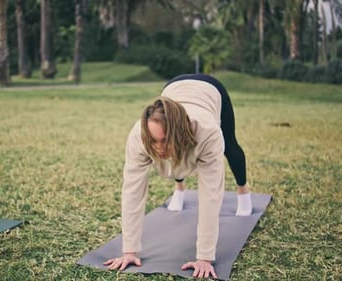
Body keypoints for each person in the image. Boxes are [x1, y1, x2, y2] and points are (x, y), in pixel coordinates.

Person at [103, 73, 252, 278]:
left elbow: (210, 195)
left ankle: (244, 193)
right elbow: (132, 192)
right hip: (175, 87)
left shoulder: (209, 133)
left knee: (232, 148)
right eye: (153, 141)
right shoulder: (139, 136)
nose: (158, 148)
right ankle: (179, 188)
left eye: (164, 140)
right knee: (172, 157)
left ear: (180, 132)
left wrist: (204, 257)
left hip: (210, 91)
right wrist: (129, 250)